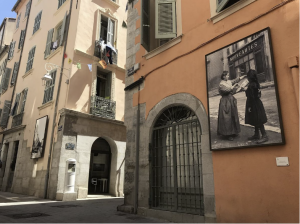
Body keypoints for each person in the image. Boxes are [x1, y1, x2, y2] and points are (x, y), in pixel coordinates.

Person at [217, 71, 245, 141]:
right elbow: (227, 90)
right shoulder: (221, 84)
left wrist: (242, 77)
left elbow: (234, 80)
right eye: (227, 75)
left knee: (233, 115)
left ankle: (233, 132)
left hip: (231, 100)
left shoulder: (228, 81)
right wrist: (233, 86)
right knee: (227, 117)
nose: (228, 76)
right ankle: (228, 134)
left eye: (228, 75)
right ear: (223, 76)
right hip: (225, 102)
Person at [243, 69, 268, 144]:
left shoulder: (251, 85)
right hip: (257, 103)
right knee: (256, 119)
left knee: (258, 120)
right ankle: (257, 134)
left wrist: (245, 90)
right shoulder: (256, 83)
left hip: (253, 104)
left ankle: (264, 136)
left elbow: (251, 96)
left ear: (250, 77)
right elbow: (258, 94)